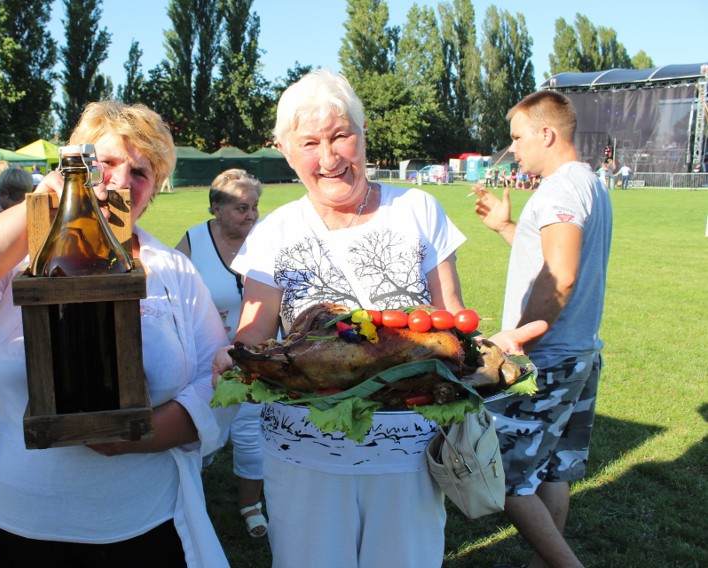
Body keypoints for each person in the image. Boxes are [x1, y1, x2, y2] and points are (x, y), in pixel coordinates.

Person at [211, 70, 545, 568]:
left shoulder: (418, 209)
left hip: (408, 456)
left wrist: (481, 353)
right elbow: (255, 335)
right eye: (309, 143)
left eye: (341, 135)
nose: (328, 158)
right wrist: (231, 354)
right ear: (285, 150)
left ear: (363, 133)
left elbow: (451, 318)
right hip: (304, 456)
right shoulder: (274, 232)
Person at [0, 100, 236, 567]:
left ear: (153, 190)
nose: (120, 181)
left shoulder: (171, 269)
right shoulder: (24, 258)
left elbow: (217, 380)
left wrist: (141, 435)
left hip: (144, 521)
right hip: (21, 523)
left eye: (141, 173)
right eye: (107, 163)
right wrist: (47, 208)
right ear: (74, 168)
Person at [472, 90, 612, 568]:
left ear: (547, 134)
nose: (513, 149)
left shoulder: (558, 190)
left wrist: (518, 338)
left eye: (517, 137)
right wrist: (506, 229)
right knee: (553, 470)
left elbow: (563, 275)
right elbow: (550, 259)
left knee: (504, 475)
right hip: (579, 351)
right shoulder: (585, 183)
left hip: (549, 356)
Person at [174, 169, 267, 539]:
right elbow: (169, 296)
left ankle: (251, 506)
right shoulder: (192, 243)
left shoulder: (266, 241)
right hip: (204, 361)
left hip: (256, 358)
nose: (252, 215)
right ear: (217, 208)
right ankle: (188, 504)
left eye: (255, 207)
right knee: (197, 433)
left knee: (251, 433)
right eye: (242, 208)